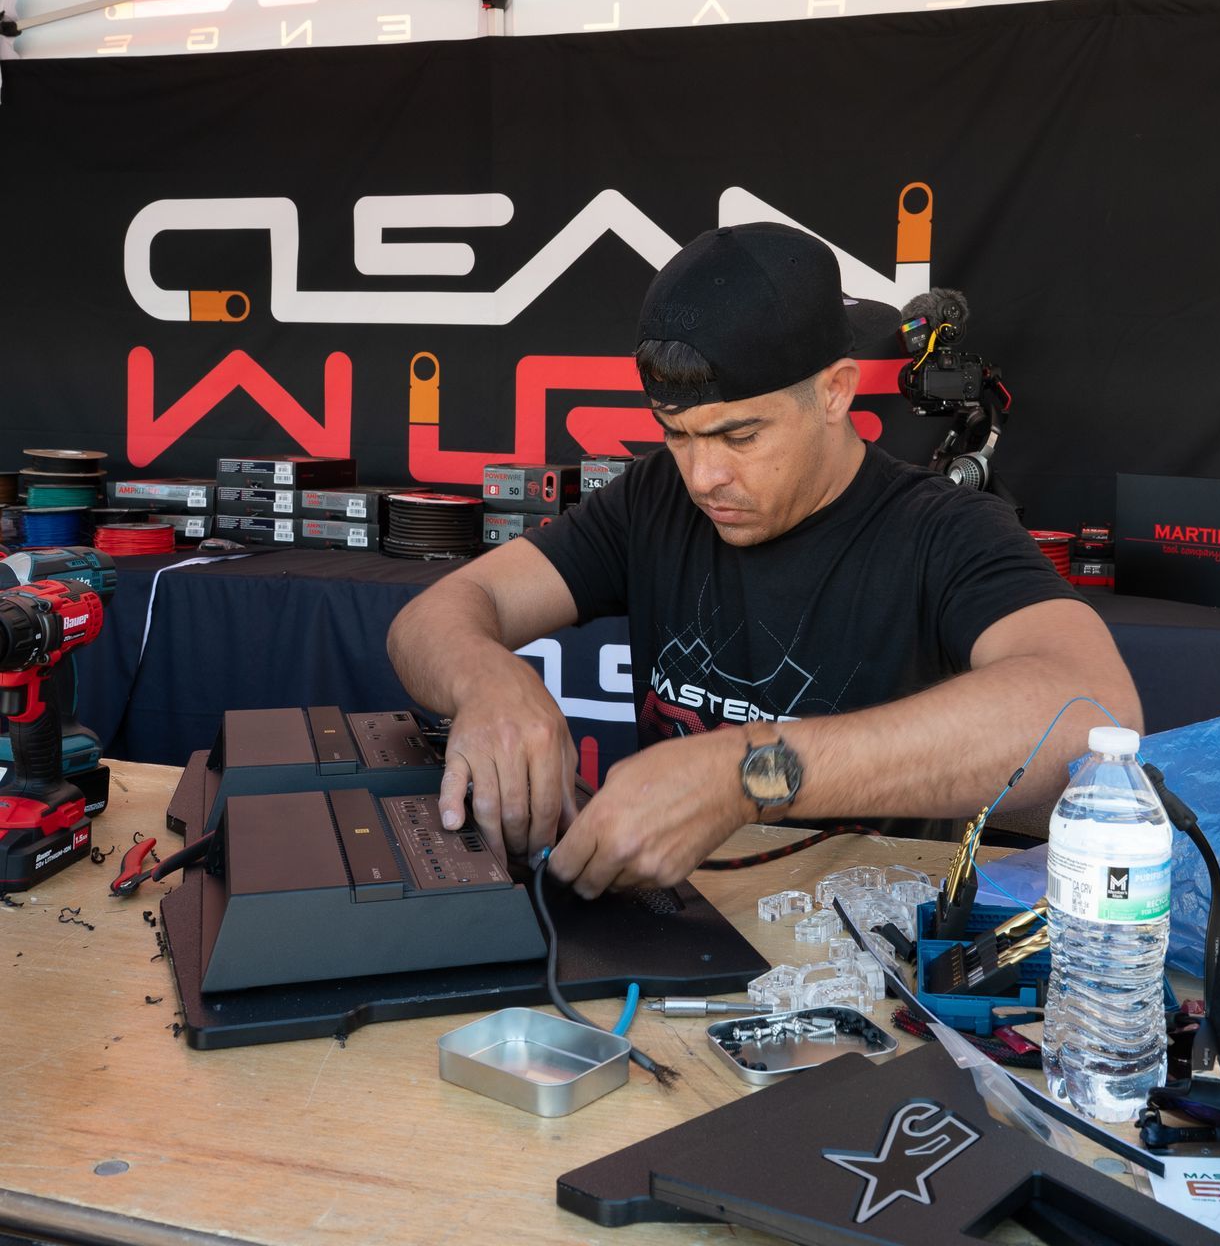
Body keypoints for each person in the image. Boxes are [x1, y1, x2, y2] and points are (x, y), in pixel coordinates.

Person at [387, 222, 1142, 897]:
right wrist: (491, 685)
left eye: (740, 437)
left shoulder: (941, 530)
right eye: (678, 435)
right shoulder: (654, 498)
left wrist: (745, 774)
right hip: (684, 925)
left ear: (835, 393)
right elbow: (432, 618)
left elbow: (1092, 710)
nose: (703, 476)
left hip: (864, 953)